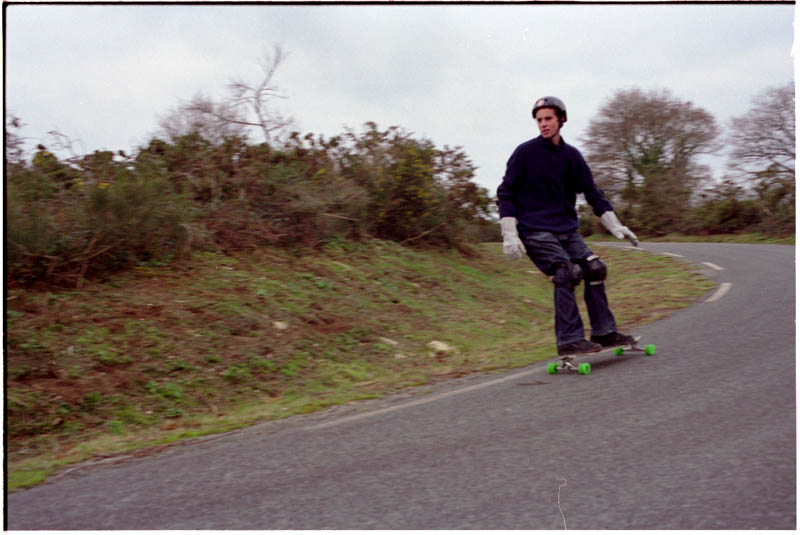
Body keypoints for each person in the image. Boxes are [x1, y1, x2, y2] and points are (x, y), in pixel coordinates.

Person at [497, 96, 638, 356]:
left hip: (566, 231)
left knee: (595, 269)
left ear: (561, 119)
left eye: (548, 118)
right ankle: (569, 339)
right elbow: (506, 193)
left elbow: (592, 192)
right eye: (539, 120)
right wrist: (510, 233)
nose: (543, 124)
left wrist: (614, 225)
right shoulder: (525, 153)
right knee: (567, 273)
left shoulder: (572, 156)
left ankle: (604, 333)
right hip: (535, 231)